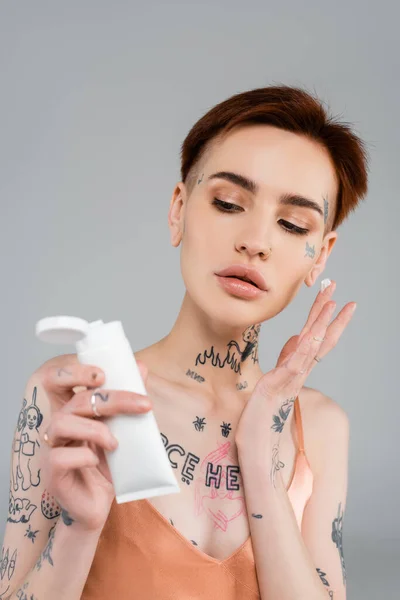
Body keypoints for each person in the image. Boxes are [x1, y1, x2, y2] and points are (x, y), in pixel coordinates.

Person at [0, 84, 369, 600]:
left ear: (319, 256)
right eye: (227, 202)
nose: (256, 241)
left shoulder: (319, 428)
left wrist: (259, 455)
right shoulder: (75, 398)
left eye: (291, 223)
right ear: (178, 209)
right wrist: (77, 529)